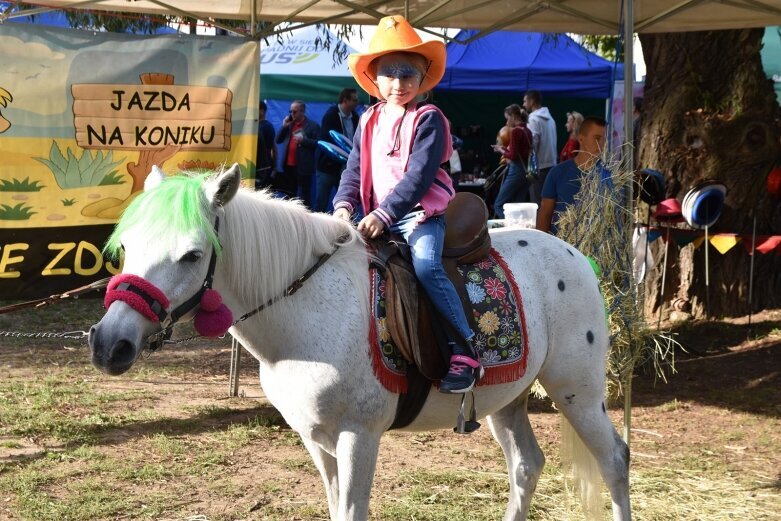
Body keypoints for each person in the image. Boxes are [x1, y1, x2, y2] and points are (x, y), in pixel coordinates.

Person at [333, 14, 482, 394]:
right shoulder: (368, 119)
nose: (399, 84)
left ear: (421, 80)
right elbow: (354, 170)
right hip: (375, 216)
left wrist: (385, 214)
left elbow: (417, 178)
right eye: (390, 74)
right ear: (374, 78)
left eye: (408, 75)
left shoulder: (429, 118)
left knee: (427, 266)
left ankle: (465, 351)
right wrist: (343, 207)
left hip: (419, 215)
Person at [536, 116, 609, 235]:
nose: (601, 144)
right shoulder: (558, 173)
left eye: (604, 140)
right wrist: (540, 245)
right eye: (597, 138)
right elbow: (545, 213)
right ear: (581, 139)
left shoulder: (609, 175)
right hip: (562, 247)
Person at [314, 88, 360, 212]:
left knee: (348, 201)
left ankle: (347, 228)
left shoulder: (356, 117)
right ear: (345, 100)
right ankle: (318, 229)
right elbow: (327, 141)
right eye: (354, 100)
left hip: (347, 167)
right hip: (327, 168)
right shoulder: (331, 116)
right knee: (322, 201)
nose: (357, 103)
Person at [275, 100, 320, 208]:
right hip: (288, 166)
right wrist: (284, 126)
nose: (292, 114)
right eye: (290, 111)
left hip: (303, 167)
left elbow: (318, 143)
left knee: (305, 197)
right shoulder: (289, 124)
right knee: (288, 196)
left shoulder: (312, 126)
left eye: (294, 112)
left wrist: (303, 141)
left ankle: (306, 221)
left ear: (302, 111)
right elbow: (278, 140)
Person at [491, 104, 533, 218]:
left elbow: (513, 156)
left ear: (513, 116)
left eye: (507, 118)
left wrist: (501, 150)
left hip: (516, 171)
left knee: (499, 204)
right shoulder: (527, 130)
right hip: (527, 171)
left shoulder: (515, 131)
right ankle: (520, 229)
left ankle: (511, 225)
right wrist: (504, 149)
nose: (507, 122)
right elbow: (519, 152)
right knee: (518, 204)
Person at [523, 90, 557, 204]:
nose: (523, 104)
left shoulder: (533, 119)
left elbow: (532, 144)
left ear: (532, 101)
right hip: (551, 165)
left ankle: (539, 222)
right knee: (548, 202)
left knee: (536, 203)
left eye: (525, 101)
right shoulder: (551, 119)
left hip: (538, 168)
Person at [255, 100, 277, 190]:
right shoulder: (258, 125)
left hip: (263, 167)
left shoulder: (265, 127)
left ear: (262, 111)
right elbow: (274, 147)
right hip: (263, 166)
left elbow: (272, 148)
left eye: (255, 109)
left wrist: (274, 168)